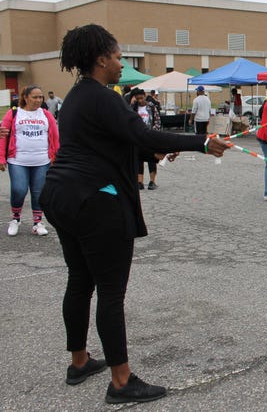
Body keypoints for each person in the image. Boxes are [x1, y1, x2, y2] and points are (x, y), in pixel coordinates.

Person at [38, 24, 230, 404]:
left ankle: (79, 363)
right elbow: (141, 136)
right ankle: (122, 382)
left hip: (60, 193)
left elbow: (114, 144)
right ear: (101, 59)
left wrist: (149, 152)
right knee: (110, 291)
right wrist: (202, 142)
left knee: (80, 279)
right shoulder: (105, 97)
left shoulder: (77, 96)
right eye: (118, 56)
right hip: (93, 200)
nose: (121, 63)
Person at [0, 85, 59, 236]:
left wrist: (56, 158)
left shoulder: (46, 115)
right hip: (17, 160)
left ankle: (37, 222)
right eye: (35, 97)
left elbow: (55, 138)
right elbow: (3, 137)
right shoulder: (13, 114)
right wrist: (1, 157)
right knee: (18, 190)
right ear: (25, 97)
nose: (38, 100)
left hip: (42, 161)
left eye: (41, 97)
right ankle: (15, 219)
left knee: (39, 193)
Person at [132, 89, 162, 190]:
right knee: (139, 159)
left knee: (151, 159)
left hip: (149, 136)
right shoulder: (133, 108)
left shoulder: (151, 106)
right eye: (138, 98)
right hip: (138, 137)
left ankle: (152, 181)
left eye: (141, 98)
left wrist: (153, 132)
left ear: (145, 96)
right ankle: (139, 181)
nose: (140, 100)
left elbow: (157, 121)